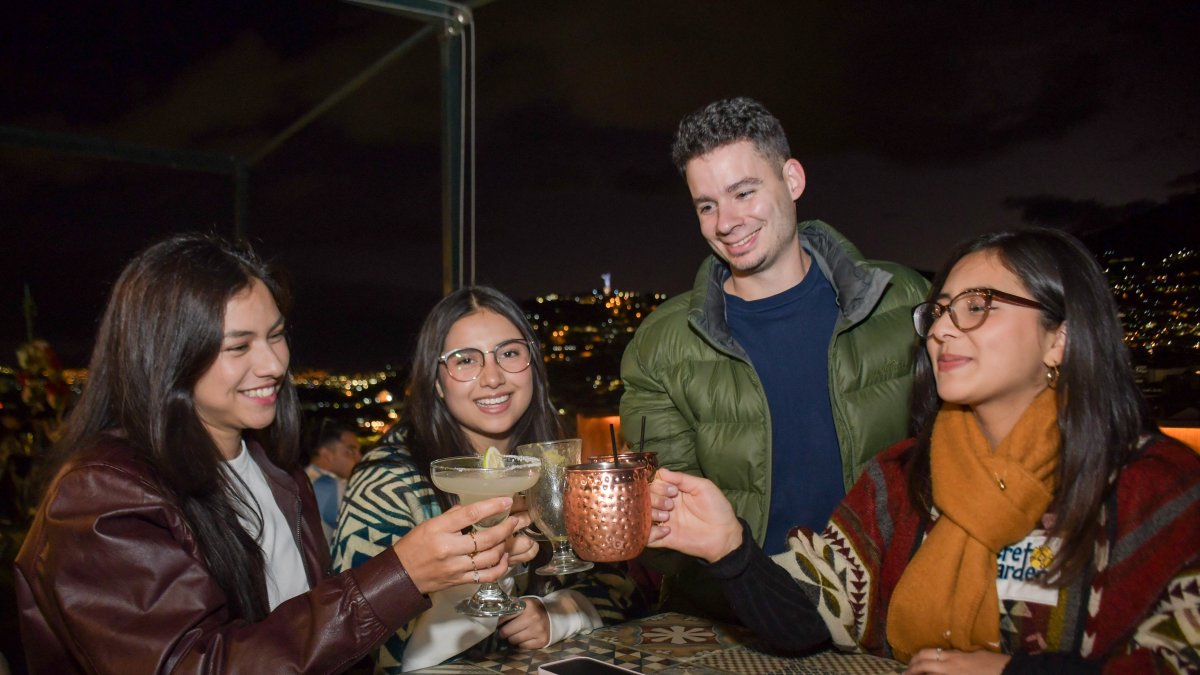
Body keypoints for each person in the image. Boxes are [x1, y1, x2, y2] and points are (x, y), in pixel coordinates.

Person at [647, 228, 1200, 672]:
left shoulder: (1158, 492)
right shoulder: (901, 480)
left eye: (979, 306)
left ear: (1060, 337)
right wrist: (729, 547)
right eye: (939, 310)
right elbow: (810, 621)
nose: (942, 330)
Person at [14, 234, 534, 674]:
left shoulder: (273, 470)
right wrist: (402, 575)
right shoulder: (102, 494)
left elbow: (311, 636)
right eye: (239, 347)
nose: (272, 364)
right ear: (169, 355)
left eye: (276, 336)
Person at [620, 96, 930, 616]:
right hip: (736, 614)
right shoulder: (660, 346)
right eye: (707, 205)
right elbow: (670, 536)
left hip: (894, 607)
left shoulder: (902, 301)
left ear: (792, 179)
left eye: (744, 192)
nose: (726, 222)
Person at [333, 286, 641, 672]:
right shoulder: (388, 484)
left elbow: (620, 587)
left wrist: (560, 613)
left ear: (533, 365)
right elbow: (360, 642)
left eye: (509, 353)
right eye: (465, 361)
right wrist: (484, 586)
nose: (492, 377)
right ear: (437, 383)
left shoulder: (551, 465)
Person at [303, 417, 362, 545]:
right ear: (326, 454)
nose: (359, 458)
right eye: (351, 451)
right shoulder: (328, 486)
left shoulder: (300, 480)